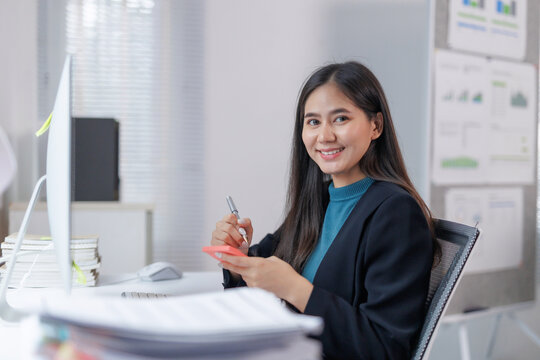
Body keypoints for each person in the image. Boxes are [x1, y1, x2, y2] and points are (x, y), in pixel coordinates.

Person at [210, 61, 437, 359]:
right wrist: (236, 259)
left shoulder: (395, 213)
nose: (325, 136)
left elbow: (386, 348)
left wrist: (296, 289)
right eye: (313, 122)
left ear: (375, 126)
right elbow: (257, 282)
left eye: (340, 118)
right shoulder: (318, 200)